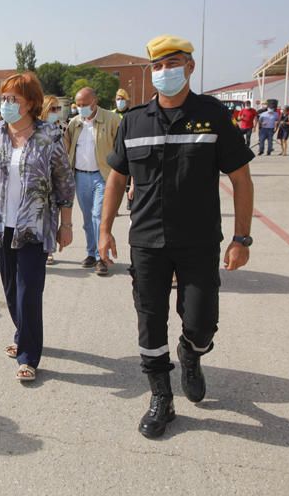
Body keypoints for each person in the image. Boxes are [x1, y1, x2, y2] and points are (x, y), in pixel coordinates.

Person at [99, 35, 255, 439]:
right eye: (157, 65)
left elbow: (240, 178)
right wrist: (104, 230)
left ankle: (191, 353)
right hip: (147, 242)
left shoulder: (212, 115)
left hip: (199, 240)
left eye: (173, 63)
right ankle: (161, 397)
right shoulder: (133, 121)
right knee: (150, 322)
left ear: (189, 66)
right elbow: (117, 178)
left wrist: (242, 238)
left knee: (202, 323)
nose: (164, 71)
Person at [0, 72, 75, 382]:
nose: (5, 104)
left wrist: (67, 224)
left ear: (30, 103)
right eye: (3, 98)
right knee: (10, 290)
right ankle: (24, 334)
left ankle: (29, 355)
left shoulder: (50, 135)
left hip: (34, 225)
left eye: (13, 99)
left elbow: (64, 182)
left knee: (29, 291)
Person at [64, 87, 120, 276]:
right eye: (78, 105)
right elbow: (68, 147)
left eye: (84, 105)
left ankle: (101, 258)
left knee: (98, 215)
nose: (81, 109)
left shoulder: (112, 120)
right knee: (88, 218)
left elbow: (121, 149)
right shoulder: (75, 123)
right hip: (80, 176)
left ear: (95, 102)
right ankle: (91, 253)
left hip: (102, 176)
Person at [39, 94, 64, 266]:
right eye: (53, 108)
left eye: (58, 108)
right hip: (39, 180)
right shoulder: (35, 129)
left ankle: (49, 249)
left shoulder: (61, 128)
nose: (56, 112)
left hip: (56, 179)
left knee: (53, 216)